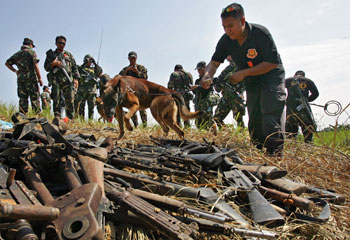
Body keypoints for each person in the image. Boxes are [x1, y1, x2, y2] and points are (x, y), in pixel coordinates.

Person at [201, 3, 286, 156]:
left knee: (269, 110)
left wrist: (243, 73)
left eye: (231, 25)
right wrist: (207, 76)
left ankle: (275, 154)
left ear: (242, 21)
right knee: (254, 116)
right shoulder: (226, 41)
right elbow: (214, 63)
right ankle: (258, 152)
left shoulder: (260, 33)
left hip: (271, 75)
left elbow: (272, 63)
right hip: (251, 80)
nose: (228, 30)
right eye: (224, 27)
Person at [44, 35, 80, 120]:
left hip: (68, 81)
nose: (62, 45)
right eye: (60, 43)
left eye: (64, 43)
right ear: (56, 43)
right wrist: (53, 64)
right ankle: (57, 119)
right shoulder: (51, 55)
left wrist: (76, 80)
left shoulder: (68, 55)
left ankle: (70, 119)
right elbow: (46, 67)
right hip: (56, 80)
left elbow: (75, 68)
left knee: (70, 100)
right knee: (56, 100)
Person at [5, 38, 43, 114]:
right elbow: (35, 65)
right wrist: (40, 78)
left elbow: (7, 63)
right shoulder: (31, 52)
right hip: (31, 78)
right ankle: (36, 116)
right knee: (34, 98)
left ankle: (23, 116)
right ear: (30, 45)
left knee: (23, 98)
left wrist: (16, 71)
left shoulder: (17, 54)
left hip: (21, 79)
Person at [285, 70, 319, 143]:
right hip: (304, 109)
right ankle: (308, 146)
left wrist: (285, 100)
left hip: (291, 109)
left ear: (295, 74)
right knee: (307, 130)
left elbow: (278, 89)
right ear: (304, 75)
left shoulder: (288, 80)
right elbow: (316, 94)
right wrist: (307, 100)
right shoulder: (308, 81)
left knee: (290, 131)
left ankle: (291, 148)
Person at [213, 59, 246, 128]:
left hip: (236, 97)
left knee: (238, 119)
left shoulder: (241, 67)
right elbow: (218, 83)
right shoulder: (228, 68)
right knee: (217, 118)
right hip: (226, 97)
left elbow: (245, 82)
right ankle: (225, 132)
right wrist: (217, 84)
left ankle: (241, 134)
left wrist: (240, 92)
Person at [119, 51, 148, 127]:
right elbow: (119, 78)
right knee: (132, 108)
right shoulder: (125, 69)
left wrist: (137, 72)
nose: (132, 60)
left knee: (142, 108)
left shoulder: (141, 67)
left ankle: (145, 125)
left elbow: (145, 78)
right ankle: (136, 125)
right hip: (130, 92)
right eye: (131, 58)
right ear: (128, 58)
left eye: (134, 58)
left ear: (136, 58)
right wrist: (126, 71)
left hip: (140, 91)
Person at [191, 61, 219, 129]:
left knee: (208, 120)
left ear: (205, 68)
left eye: (200, 69)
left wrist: (198, 87)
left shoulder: (209, 78)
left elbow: (208, 88)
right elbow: (195, 92)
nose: (199, 71)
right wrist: (193, 89)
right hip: (198, 104)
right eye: (198, 70)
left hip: (206, 103)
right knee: (198, 122)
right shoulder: (197, 81)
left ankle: (213, 133)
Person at [75, 54, 103, 119]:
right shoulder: (81, 68)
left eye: (91, 60)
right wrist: (84, 63)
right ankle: (82, 120)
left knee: (91, 108)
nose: (89, 62)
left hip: (92, 91)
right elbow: (76, 70)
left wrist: (95, 63)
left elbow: (100, 72)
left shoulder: (95, 69)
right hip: (82, 91)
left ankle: (90, 120)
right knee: (81, 107)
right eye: (88, 60)